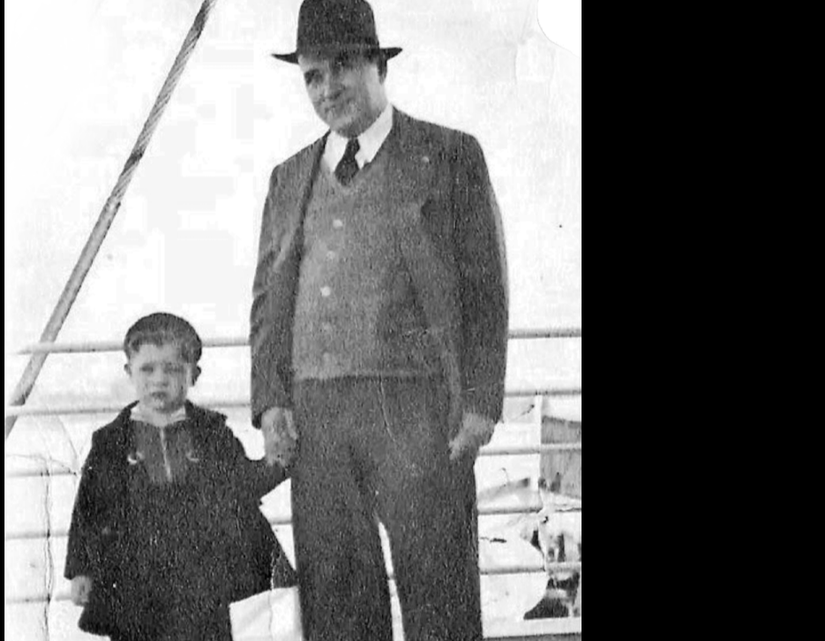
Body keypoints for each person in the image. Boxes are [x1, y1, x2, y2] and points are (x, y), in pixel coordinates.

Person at [250, 1, 509, 639]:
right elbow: (267, 300)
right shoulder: (289, 177)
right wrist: (270, 400)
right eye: (312, 75)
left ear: (377, 65)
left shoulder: (448, 155)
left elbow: (485, 288)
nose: (327, 87)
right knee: (337, 604)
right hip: (317, 418)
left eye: (341, 67)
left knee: (438, 595)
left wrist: (481, 402)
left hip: (416, 409)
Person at [65, 312, 292, 641]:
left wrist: (278, 465)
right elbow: (89, 507)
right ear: (129, 372)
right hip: (134, 579)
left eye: (172, 369)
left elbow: (240, 484)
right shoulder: (110, 443)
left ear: (194, 375)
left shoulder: (212, 434)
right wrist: (81, 570)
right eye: (147, 369)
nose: (159, 379)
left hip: (199, 578)